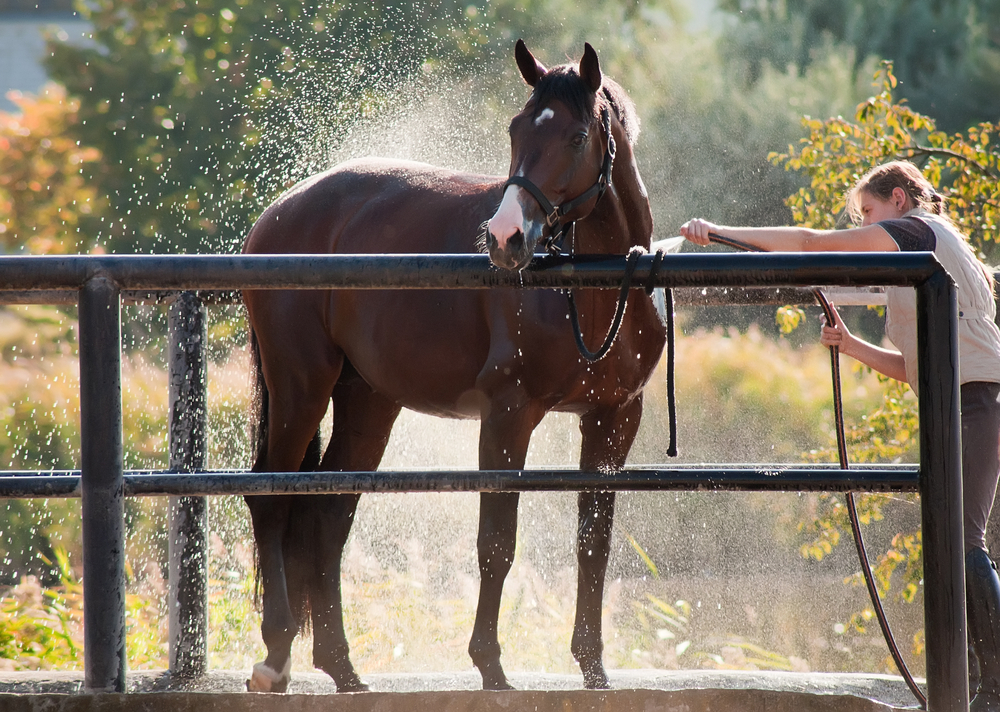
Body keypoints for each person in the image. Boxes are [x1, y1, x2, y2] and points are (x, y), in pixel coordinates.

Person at [680, 160, 1000, 710]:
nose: (865, 224)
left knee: (963, 541)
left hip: (976, 403)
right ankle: (977, 680)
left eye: (869, 213)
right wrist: (851, 346)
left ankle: (993, 683)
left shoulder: (916, 230)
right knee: (954, 540)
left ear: (898, 200)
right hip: (966, 400)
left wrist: (721, 232)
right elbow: (916, 365)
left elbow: (809, 241)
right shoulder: (932, 251)